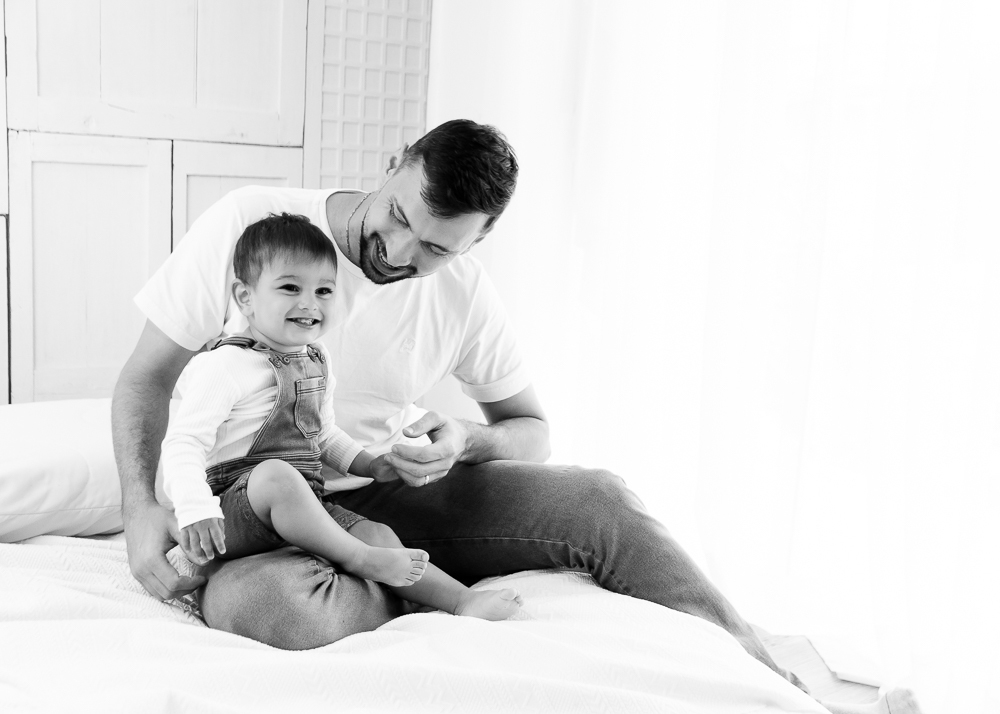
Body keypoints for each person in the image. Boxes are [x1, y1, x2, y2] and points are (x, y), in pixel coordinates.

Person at [113, 119, 919, 714]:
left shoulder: (464, 294)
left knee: (599, 497)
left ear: (478, 242)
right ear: (394, 164)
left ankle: (784, 684)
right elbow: (146, 380)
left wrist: (466, 438)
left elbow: (531, 429)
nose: (401, 253)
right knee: (269, 608)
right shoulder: (257, 227)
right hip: (261, 508)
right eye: (399, 217)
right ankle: (415, 582)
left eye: (437, 249)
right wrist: (144, 506)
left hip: (382, 491)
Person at [161, 211, 521, 621]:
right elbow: (183, 443)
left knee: (378, 534)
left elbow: (324, 434)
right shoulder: (224, 366)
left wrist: (369, 464)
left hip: (305, 506)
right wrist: (195, 509)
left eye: (324, 291)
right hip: (233, 513)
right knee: (277, 477)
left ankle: (460, 601)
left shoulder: (317, 360)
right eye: (290, 288)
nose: (309, 303)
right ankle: (359, 560)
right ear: (245, 297)